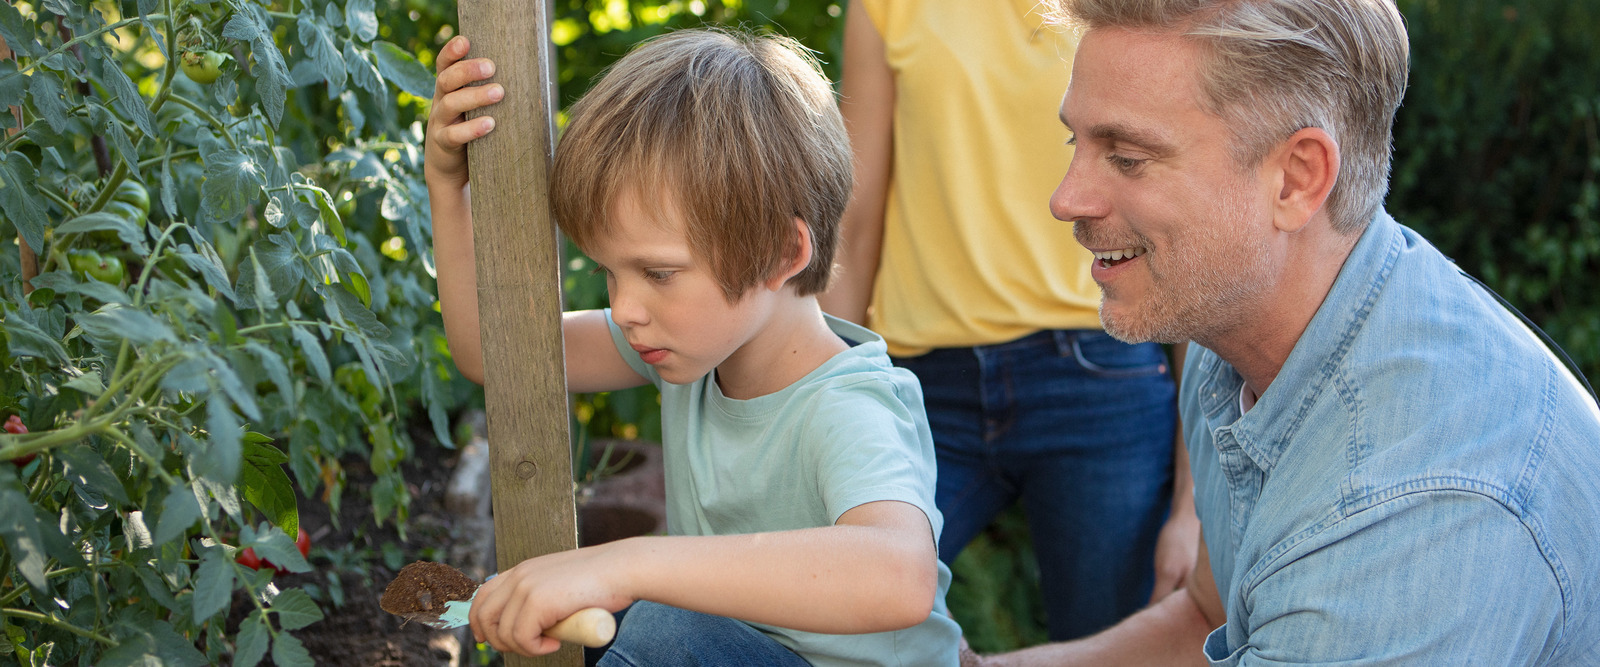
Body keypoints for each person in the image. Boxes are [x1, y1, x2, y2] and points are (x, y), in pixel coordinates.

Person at [970, 0, 1600, 664]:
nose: (1067, 199)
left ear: (1298, 179)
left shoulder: (1409, 513)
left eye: (1126, 157)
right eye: (1080, 142)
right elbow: (1207, 617)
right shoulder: (1239, 329)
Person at [425, 28, 962, 666]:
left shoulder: (848, 406)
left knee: (661, 632)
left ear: (781, 253)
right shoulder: (691, 349)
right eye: (609, 273)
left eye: (658, 274)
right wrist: (448, 190)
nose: (624, 308)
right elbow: (497, 356)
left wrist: (626, 563)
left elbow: (899, 578)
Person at [822, 0, 1199, 640]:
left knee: (1114, 646)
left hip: (1099, 380)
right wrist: (822, 411)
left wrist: (1194, 510)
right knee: (835, 618)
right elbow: (854, 227)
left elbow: (1187, 238)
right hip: (923, 388)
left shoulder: (1146, 10)